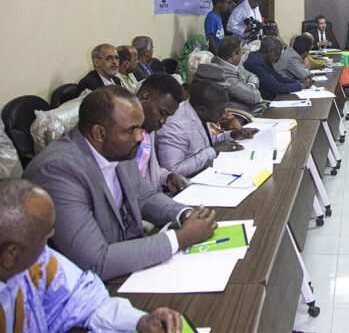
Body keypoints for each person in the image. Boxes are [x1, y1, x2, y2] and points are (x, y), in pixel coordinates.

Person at [23, 86, 217, 280]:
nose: (140, 137)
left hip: (126, 266)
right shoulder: (57, 171)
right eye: (131, 130)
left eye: (140, 128)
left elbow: (144, 197)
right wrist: (181, 238)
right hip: (86, 285)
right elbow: (96, 261)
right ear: (99, 133)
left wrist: (183, 214)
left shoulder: (117, 146)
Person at [0, 178, 184, 332]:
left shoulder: (35, 261)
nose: (52, 236)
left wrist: (139, 321)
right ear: (10, 255)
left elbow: (83, 300)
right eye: (44, 237)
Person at [157, 80, 257, 177]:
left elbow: (204, 143)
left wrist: (231, 135)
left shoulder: (199, 112)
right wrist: (213, 151)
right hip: (190, 182)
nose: (223, 113)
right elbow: (173, 171)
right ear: (202, 109)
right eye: (220, 110)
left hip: (208, 171)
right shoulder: (176, 126)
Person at [135, 74, 190, 195]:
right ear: (145, 97)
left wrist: (168, 177)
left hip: (151, 196)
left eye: (168, 116)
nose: (163, 121)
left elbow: (146, 169)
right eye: (162, 113)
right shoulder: (118, 133)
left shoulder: (148, 128)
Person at [244, 36, 313, 99]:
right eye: (278, 54)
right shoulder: (255, 63)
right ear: (270, 51)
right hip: (266, 102)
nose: (279, 58)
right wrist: (301, 86)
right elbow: (277, 87)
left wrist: (298, 82)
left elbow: (279, 78)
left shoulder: (264, 59)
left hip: (274, 98)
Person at [211, 36, 263, 114]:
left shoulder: (234, 63)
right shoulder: (222, 73)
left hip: (250, 108)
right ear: (234, 55)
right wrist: (252, 90)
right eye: (242, 52)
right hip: (241, 115)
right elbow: (254, 97)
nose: (242, 55)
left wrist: (251, 85)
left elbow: (252, 76)